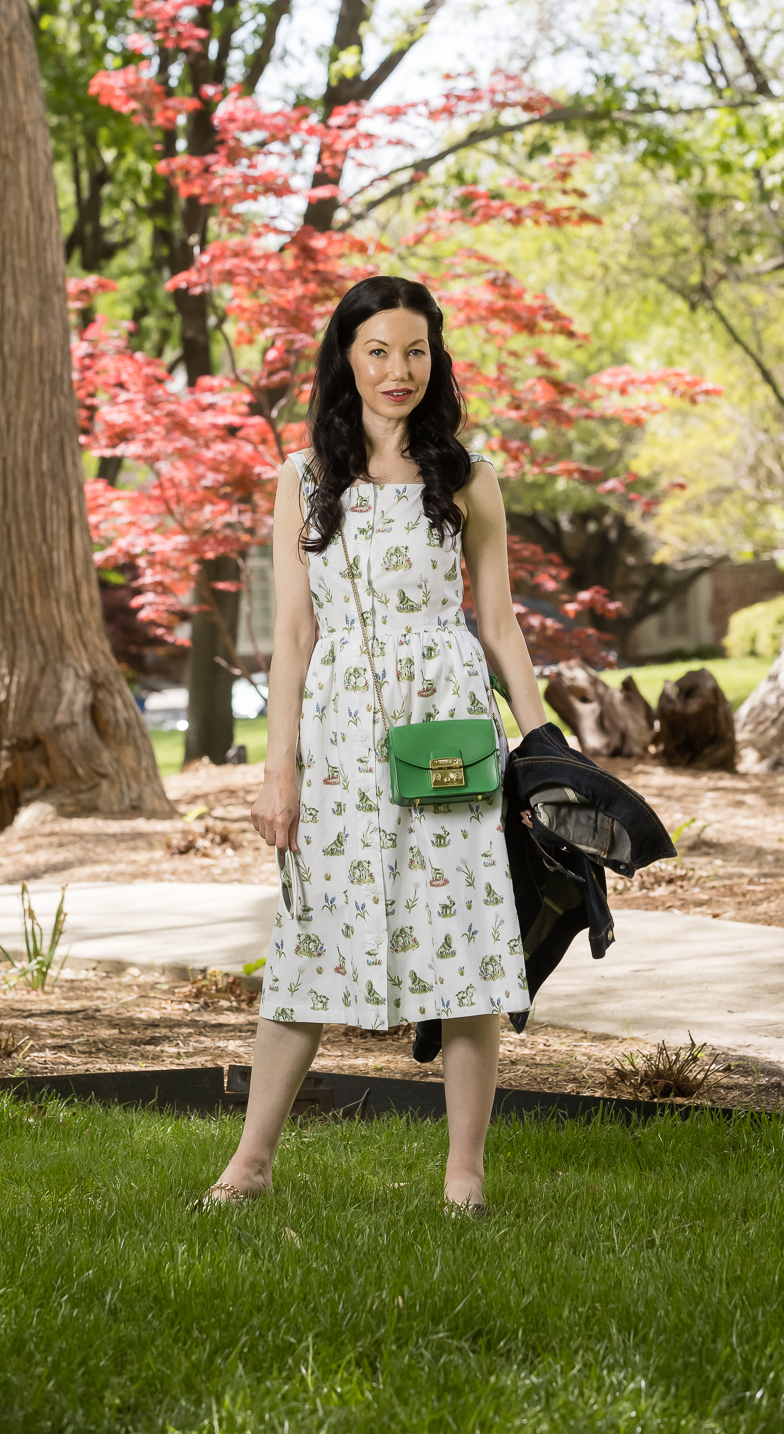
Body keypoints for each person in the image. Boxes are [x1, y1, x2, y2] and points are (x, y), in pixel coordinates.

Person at [207, 275, 548, 1211]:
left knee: (467, 939)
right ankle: (250, 1166)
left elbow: (499, 624)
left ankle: (464, 1176)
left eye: (415, 351)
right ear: (345, 360)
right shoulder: (303, 477)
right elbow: (290, 636)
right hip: (341, 736)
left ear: (434, 361)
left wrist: (543, 737)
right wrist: (279, 770)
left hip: (446, 729)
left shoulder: (469, 478)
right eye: (377, 351)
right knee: (312, 934)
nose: (398, 370)